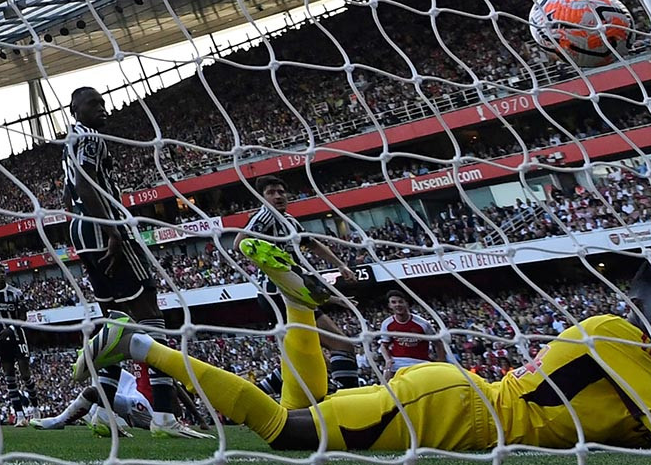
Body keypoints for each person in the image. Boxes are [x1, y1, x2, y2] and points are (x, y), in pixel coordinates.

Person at [74, 254, 651, 451]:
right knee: (289, 433)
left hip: (451, 401)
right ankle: (138, 342)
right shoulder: (615, 333)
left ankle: (298, 302)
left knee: (306, 409)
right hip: (452, 413)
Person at [63, 86, 210, 439]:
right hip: (106, 230)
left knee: (116, 323)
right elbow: (84, 185)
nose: (102, 108)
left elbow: (68, 195)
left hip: (80, 233)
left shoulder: (68, 142)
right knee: (150, 317)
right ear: (75, 110)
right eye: (93, 103)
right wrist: (113, 229)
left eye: (103, 102)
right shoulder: (90, 138)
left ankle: (100, 412)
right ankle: (163, 416)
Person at [234, 175, 360, 396]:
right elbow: (239, 243)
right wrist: (265, 257)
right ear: (261, 197)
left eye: (281, 192)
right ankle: (350, 399)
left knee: (307, 360)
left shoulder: (290, 221)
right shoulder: (265, 216)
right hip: (278, 295)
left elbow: (312, 244)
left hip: (295, 293)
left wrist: (340, 265)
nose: (278, 196)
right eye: (271, 192)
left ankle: (257, 395)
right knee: (342, 345)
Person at [0, 264, 38, 426]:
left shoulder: (15, 293)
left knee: (25, 375)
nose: (1, 275)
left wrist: (10, 329)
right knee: (9, 377)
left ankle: (36, 410)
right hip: (0, 339)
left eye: (3, 273)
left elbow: (23, 317)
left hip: (18, 337)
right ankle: (19, 416)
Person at [31, 368, 151, 437]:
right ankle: (97, 414)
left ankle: (62, 420)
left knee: (92, 392)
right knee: (101, 359)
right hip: (139, 393)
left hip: (146, 407)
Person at [379, 290, 451, 378]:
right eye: (393, 302)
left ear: (406, 303)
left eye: (400, 302)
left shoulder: (422, 323)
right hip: (398, 362)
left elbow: (438, 342)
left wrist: (441, 360)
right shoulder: (387, 324)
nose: (397, 304)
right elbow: (384, 346)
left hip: (420, 362)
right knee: (385, 381)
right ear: (389, 305)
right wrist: (388, 360)